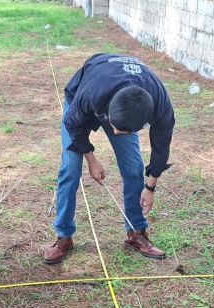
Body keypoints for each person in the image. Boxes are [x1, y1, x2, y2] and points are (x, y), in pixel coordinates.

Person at [43, 53, 176, 264]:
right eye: (113, 126)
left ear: (142, 123)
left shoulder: (159, 105)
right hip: (87, 95)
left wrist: (150, 187)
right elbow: (73, 125)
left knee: (133, 166)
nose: (113, 133)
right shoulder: (91, 94)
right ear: (107, 113)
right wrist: (91, 159)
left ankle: (135, 233)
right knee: (70, 167)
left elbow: (161, 147)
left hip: (125, 101)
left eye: (121, 131)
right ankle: (64, 235)